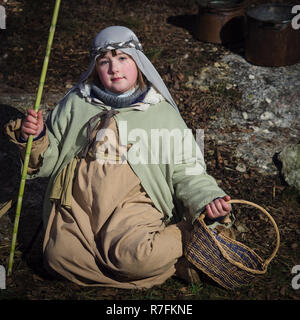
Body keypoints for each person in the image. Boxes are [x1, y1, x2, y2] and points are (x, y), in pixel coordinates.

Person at [6, 26, 232, 289]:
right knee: (57, 259)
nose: (114, 68)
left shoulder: (160, 114)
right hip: (78, 206)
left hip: (131, 205)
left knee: (135, 258)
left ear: (138, 61)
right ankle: (172, 267)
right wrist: (36, 137)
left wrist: (207, 199)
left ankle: (189, 235)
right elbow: (51, 159)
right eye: (105, 61)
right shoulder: (77, 103)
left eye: (122, 58)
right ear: (95, 67)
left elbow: (187, 169)